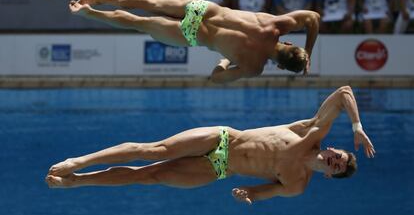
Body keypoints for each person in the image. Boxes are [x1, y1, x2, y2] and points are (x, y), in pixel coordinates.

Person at [46, 86, 375, 204]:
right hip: (224, 138)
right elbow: (344, 92)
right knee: (152, 149)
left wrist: (248, 196)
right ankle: (79, 161)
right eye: (341, 156)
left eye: (339, 166)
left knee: (149, 175)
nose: (336, 160)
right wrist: (358, 128)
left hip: (220, 167)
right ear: (334, 148)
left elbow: (261, 192)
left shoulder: (296, 185)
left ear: (330, 175)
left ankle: (77, 182)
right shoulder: (312, 132)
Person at [68, 0, 319, 83]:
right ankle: (91, 14)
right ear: (279, 65)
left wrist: (309, 51)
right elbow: (216, 78)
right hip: (195, 34)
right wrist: (224, 60)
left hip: (205, 9)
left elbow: (312, 18)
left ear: (288, 43)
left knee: (149, 2)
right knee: (140, 23)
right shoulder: (254, 68)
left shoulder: (275, 24)